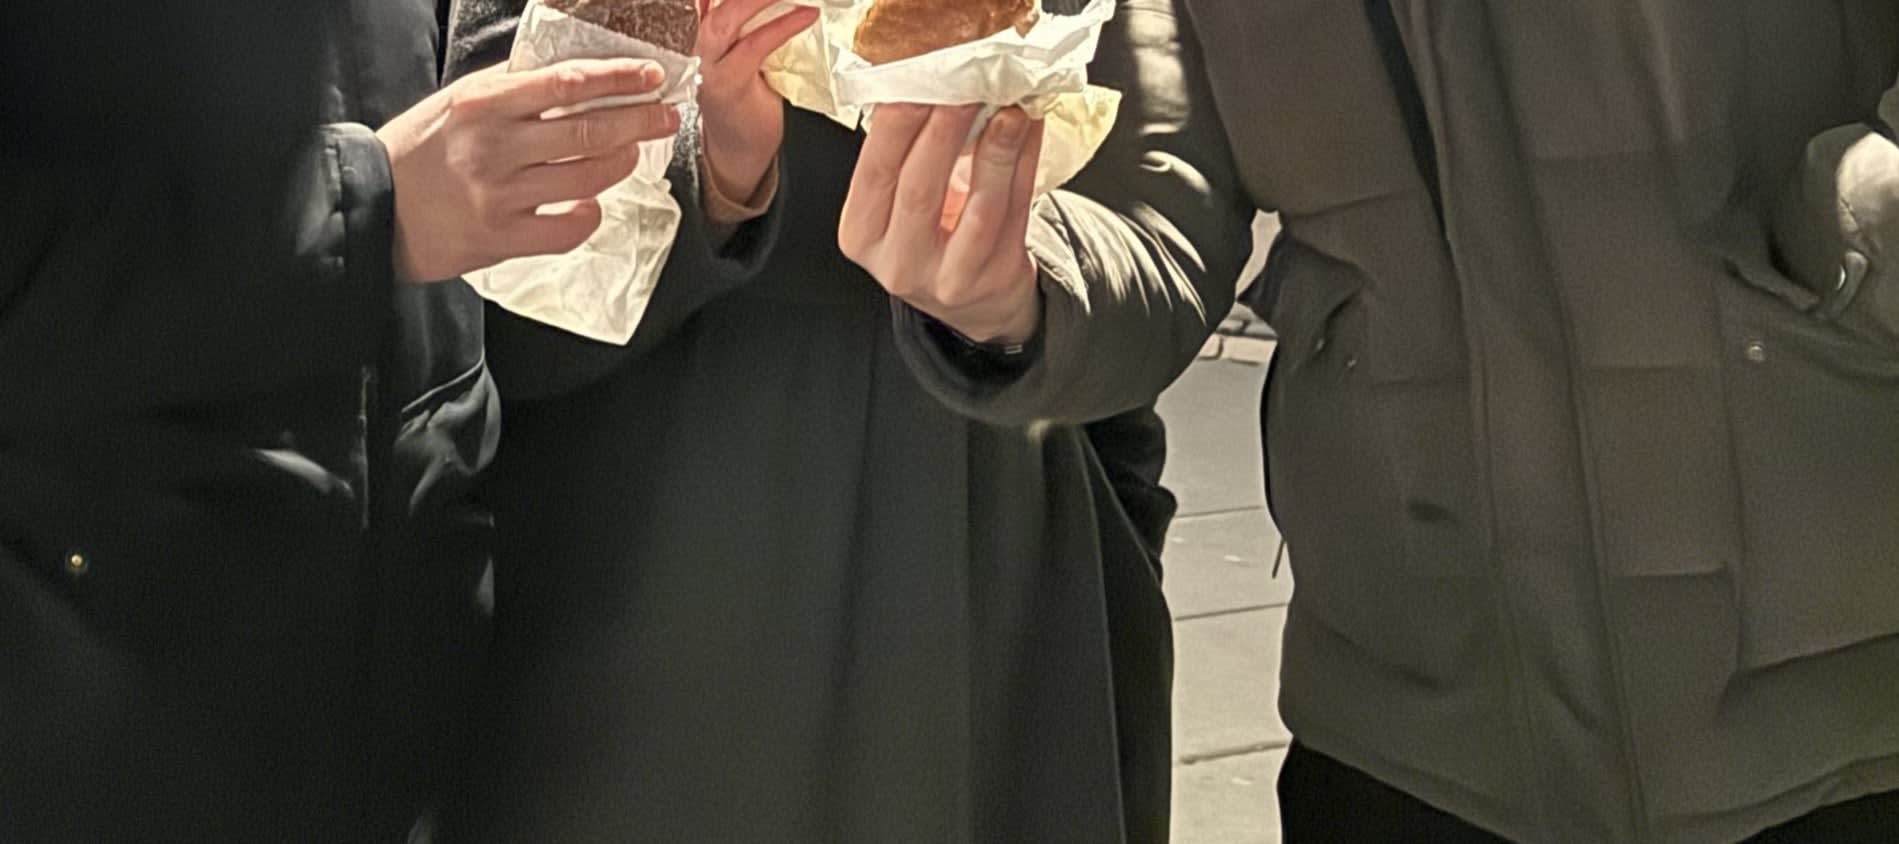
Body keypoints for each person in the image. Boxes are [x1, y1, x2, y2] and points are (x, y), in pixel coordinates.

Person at [846, 1, 1899, 841]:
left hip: (1841, 700)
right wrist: (1023, 280)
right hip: (1411, 728)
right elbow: (1156, 195)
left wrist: (1863, 229)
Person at [438, 0, 1247, 840]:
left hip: (994, 580)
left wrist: (1023, 286)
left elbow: (1166, 232)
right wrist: (710, 175)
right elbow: (474, 272)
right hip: (630, 585)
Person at [0, 1, 688, 839]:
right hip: (108, 721)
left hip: (407, 711)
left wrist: (701, 176)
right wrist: (368, 208)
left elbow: (475, 280)